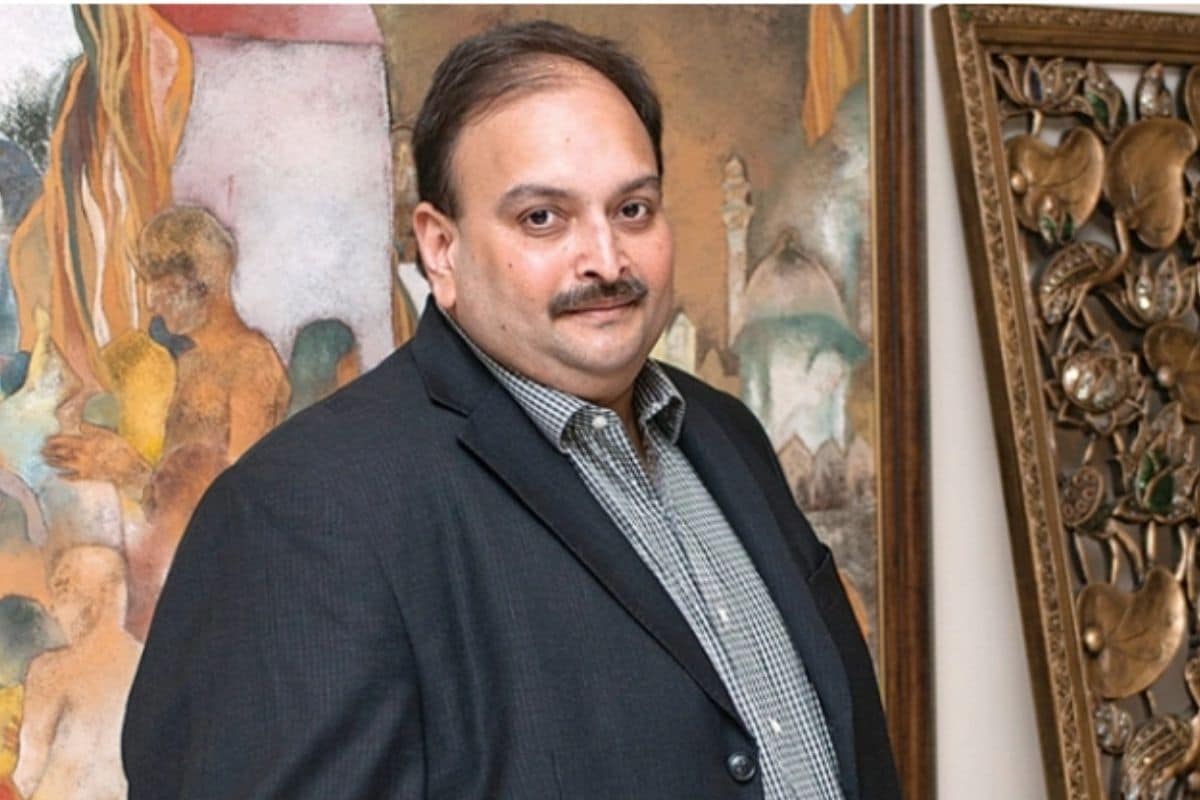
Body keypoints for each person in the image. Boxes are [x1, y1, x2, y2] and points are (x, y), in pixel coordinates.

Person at [123, 20, 900, 800]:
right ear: (441, 249)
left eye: (632, 209)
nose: (606, 260)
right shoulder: (301, 512)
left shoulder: (725, 434)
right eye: (542, 219)